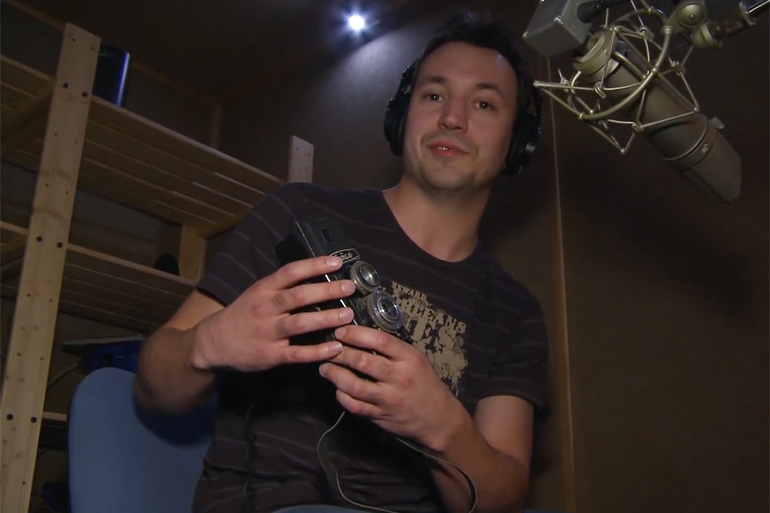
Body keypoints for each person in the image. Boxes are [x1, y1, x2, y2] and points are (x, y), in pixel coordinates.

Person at [133, 8, 549, 513]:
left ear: (517, 143)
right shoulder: (297, 212)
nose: (452, 118)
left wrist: (444, 428)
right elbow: (152, 388)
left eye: (483, 103)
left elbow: (503, 499)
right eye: (433, 95)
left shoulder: (516, 314)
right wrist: (208, 343)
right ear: (402, 116)